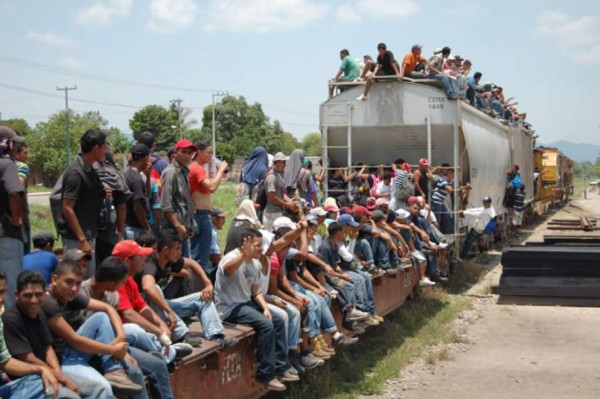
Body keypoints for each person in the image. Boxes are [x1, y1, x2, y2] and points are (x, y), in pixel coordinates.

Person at [82, 255, 181, 399]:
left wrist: (124, 352)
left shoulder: (112, 296)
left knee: (158, 365)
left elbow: (116, 330)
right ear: (111, 283)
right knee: (135, 372)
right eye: (122, 282)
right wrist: (118, 353)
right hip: (92, 350)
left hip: (115, 345)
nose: (123, 285)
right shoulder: (80, 293)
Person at [42, 260, 144, 396]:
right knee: (103, 388)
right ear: (55, 279)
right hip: (60, 360)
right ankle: (113, 371)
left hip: (74, 352)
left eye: (78, 283)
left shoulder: (70, 295)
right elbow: (74, 340)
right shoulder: (48, 302)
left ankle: (114, 371)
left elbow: (107, 308)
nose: (73, 288)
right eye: (69, 282)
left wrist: (120, 337)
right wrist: (113, 349)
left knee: (101, 317)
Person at [214, 229, 289, 392]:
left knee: (277, 319)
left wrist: (265, 308)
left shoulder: (255, 263)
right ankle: (266, 375)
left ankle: (282, 367)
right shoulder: (231, 258)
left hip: (246, 303)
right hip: (229, 308)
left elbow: (256, 291)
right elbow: (228, 270)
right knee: (266, 325)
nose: (261, 249)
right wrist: (243, 255)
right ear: (244, 245)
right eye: (257, 246)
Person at [139, 229, 238, 350]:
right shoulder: (150, 263)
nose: (180, 252)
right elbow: (147, 287)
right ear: (166, 250)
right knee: (155, 289)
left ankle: (216, 337)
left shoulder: (170, 261)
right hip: (145, 312)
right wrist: (169, 312)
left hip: (163, 309)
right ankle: (182, 335)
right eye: (177, 249)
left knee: (203, 298)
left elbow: (192, 264)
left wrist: (207, 284)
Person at [3, 271, 83, 398]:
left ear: (45, 294)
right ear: (17, 295)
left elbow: (48, 347)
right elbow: (27, 358)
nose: (34, 300)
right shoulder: (11, 319)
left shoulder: (39, 312)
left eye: (38, 295)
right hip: (25, 379)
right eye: (28, 295)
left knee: (93, 388)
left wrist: (58, 373)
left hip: (43, 371)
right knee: (69, 396)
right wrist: (60, 378)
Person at [61, 129, 109, 278]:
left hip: (88, 234)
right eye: (105, 146)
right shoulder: (75, 173)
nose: (106, 150)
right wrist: (82, 240)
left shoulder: (89, 170)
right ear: (96, 148)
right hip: (77, 239)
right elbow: (67, 207)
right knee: (77, 282)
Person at [189, 140, 228, 283]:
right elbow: (211, 187)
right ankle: (197, 288)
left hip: (200, 215)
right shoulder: (197, 168)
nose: (211, 156)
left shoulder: (196, 168)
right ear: (199, 152)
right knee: (200, 258)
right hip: (200, 215)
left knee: (197, 255)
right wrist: (220, 171)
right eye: (209, 153)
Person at [0, 126, 25, 308]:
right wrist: (16, 219)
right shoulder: (7, 165)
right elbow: (15, 193)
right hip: (6, 234)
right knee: (10, 288)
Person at [161, 139, 197, 258]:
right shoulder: (171, 172)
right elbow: (166, 204)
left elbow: (185, 202)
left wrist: (190, 225)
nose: (187, 156)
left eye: (189, 153)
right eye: (184, 152)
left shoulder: (184, 172)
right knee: (175, 264)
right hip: (173, 228)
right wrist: (178, 225)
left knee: (183, 262)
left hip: (183, 228)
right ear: (176, 153)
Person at [263, 152, 296, 232]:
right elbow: (272, 198)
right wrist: (286, 204)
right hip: (271, 213)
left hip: (279, 211)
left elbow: (282, 193)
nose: (281, 164)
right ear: (274, 163)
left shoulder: (279, 176)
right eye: (278, 162)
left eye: (283, 162)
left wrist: (291, 202)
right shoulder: (272, 177)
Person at [125, 143, 153, 239]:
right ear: (145, 158)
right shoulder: (136, 179)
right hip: (136, 229)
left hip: (129, 226)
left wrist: (148, 176)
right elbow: (138, 207)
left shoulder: (127, 175)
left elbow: (147, 196)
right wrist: (147, 228)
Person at [12, 136, 31, 255]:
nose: (27, 156)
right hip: (19, 217)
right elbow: (19, 188)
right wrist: (20, 217)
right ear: (16, 153)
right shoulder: (21, 166)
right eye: (24, 153)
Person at [208, 206, 229, 282]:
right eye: (222, 218)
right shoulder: (212, 233)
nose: (224, 221)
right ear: (214, 219)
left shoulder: (210, 230)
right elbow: (216, 258)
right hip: (209, 272)